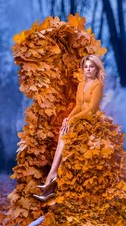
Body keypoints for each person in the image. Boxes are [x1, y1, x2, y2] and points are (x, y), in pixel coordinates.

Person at [32, 54, 105, 201]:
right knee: (63, 130)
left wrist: (73, 120)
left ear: (97, 69)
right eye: (86, 67)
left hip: (91, 120)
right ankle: (52, 178)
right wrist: (68, 118)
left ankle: (51, 178)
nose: (88, 69)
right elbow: (78, 106)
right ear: (83, 69)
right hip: (79, 118)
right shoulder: (81, 85)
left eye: (91, 66)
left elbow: (91, 108)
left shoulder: (98, 85)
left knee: (65, 133)